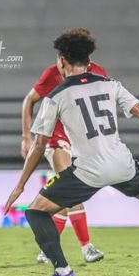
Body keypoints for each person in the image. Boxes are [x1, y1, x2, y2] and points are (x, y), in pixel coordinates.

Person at [4, 28, 139, 276]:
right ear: (88, 60)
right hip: (122, 164)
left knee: (36, 212)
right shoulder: (111, 84)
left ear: (62, 61)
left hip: (87, 172)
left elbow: (38, 147)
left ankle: (63, 272)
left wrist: (20, 185)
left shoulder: (56, 96)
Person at [21, 48, 106, 264]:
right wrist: (26, 137)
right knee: (71, 188)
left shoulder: (99, 73)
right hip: (55, 137)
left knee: (62, 200)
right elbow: (29, 100)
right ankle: (87, 247)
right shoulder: (52, 74)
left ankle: (46, 250)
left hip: (79, 139)